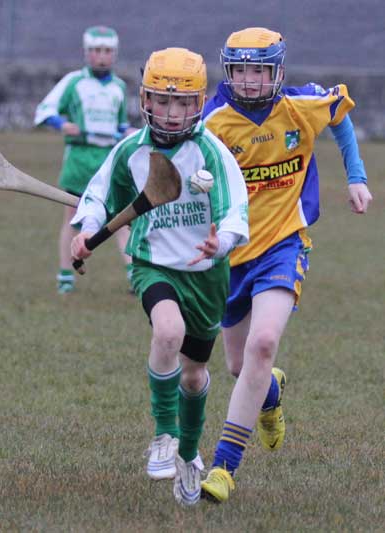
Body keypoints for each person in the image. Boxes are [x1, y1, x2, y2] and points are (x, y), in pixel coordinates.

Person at [200, 27, 373, 503]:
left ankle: (224, 467)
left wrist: (355, 176)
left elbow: (340, 112)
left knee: (264, 342)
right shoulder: (212, 122)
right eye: (241, 71)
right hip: (229, 254)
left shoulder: (300, 107)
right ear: (228, 71)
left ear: (277, 72)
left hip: (283, 244)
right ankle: (270, 395)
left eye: (260, 70)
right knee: (240, 364)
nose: (251, 81)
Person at [70, 47, 249, 505]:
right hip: (153, 264)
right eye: (162, 101)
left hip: (206, 275)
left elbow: (235, 211)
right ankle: (164, 437)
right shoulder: (131, 149)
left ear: (199, 103)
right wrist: (87, 230)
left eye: (183, 103)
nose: (172, 113)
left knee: (193, 377)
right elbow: (99, 197)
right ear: (146, 100)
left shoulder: (212, 151)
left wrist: (222, 243)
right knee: (167, 332)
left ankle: (189, 455)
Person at [34, 25, 133, 294]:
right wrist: (61, 124)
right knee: (73, 218)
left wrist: (128, 132)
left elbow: (120, 124)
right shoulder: (74, 81)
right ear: (87, 53)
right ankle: (66, 275)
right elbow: (45, 110)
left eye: (107, 52)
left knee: (121, 218)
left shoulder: (119, 87)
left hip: (109, 160)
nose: (102, 57)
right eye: (97, 51)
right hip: (79, 161)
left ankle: (134, 274)